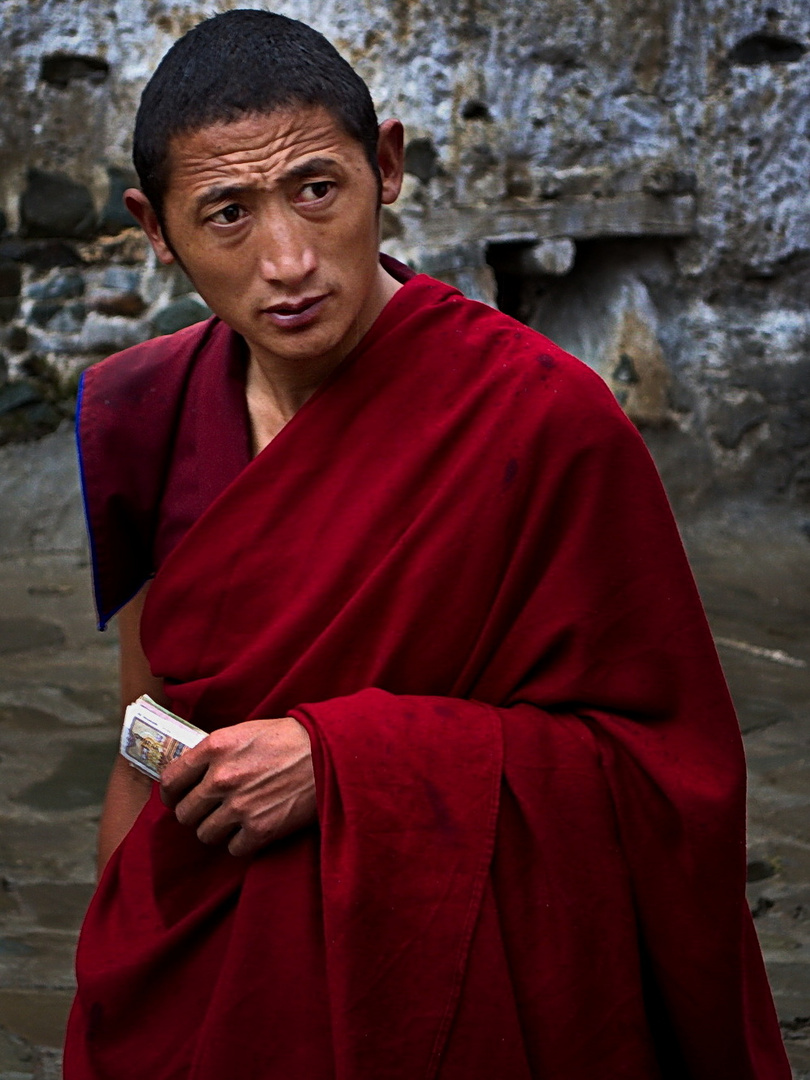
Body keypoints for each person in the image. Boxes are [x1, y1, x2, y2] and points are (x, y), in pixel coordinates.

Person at [65, 9, 790, 1079]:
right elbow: (148, 720)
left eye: (319, 188)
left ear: (387, 167)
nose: (289, 260)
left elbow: (666, 778)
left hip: (446, 979)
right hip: (209, 970)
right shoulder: (145, 408)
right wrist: (116, 963)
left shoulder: (545, 422)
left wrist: (349, 764)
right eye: (226, 213)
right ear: (156, 231)